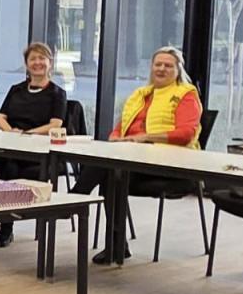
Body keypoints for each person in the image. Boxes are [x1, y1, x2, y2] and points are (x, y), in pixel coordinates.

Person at [71, 46, 203, 264]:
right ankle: (116, 246)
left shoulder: (186, 94)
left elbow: (186, 134)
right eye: (158, 64)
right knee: (112, 175)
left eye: (168, 65)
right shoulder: (141, 94)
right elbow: (121, 127)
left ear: (178, 70)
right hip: (134, 160)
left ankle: (75, 199)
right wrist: (116, 137)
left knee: (111, 171)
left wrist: (145, 137)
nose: (161, 69)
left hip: (171, 165)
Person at [0, 42, 68, 248]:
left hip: (39, 154)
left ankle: (6, 226)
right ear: (26, 64)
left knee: (10, 170)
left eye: (42, 58)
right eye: (33, 59)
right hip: (13, 146)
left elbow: (55, 124)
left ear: (50, 63)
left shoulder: (57, 93)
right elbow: (0, 117)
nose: (37, 62)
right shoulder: (16, 90)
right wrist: (11, 132)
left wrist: (28, 134)